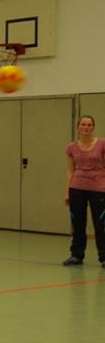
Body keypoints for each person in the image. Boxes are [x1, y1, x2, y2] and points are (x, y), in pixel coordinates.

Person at [63, 115, 105, 268]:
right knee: (78, 223)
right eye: (83, 124)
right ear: (78, 127)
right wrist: (67, 191)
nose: (86, 127)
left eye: (89, 125)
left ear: (93, 127)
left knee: (100, 224)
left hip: (99, 188)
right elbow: (70, 170)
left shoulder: (102, 144)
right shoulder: (72, 147)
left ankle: (103, 256)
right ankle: (76, 255)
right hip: (77, 188)